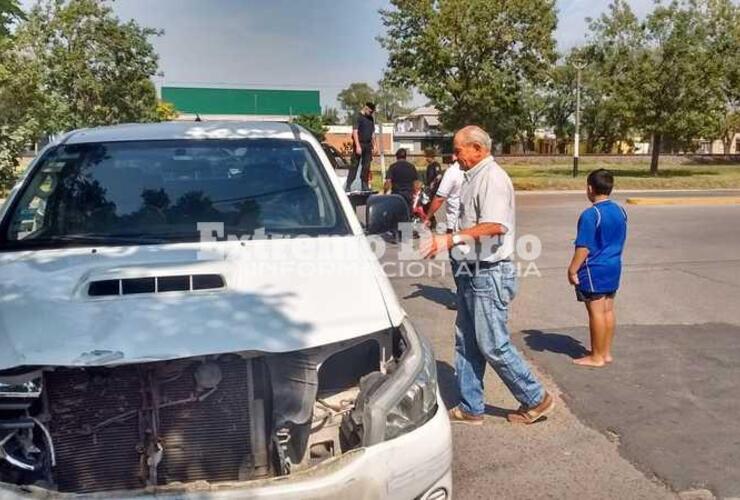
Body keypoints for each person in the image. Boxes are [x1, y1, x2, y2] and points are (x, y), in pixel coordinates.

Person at [423, 125, 554, 425]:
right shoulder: (472, 177)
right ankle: (471, 407)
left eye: (458, 150)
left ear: (478, 149)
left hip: (490, 273)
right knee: (467, 340)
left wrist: (450, 239)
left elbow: (495, 225)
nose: (454, 157)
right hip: (473, 270)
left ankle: (535, 398)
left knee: (493, 343)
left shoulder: (492, 178)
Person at [567, 169, 628, 368]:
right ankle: (605, 352)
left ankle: (596, 357)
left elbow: (583, 247)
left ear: (590, 188)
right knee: (608, 309)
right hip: (614, 265)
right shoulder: (620, 210)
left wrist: (572, 269)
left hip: (594, 269)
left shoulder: (591, 214)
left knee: (596, 312)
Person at [426, 155, 465, 310]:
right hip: (472, 225)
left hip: (455, 226)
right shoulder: (473, 171)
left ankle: (462, 298)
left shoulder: (452, 172)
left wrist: (427, 217)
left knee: (458, 263)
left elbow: (440, 198)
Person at [345, 102, 377, 192]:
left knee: (366, 166)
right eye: (370, 111)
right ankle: (348, 185)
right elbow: (355, 132)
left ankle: (364, 185)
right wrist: (358, 146)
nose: (371, 114)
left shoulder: (370, 119)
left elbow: (373, 133)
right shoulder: (358, 117)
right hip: (359, 144)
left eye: (372, 112)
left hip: (368, 145)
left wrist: (375, 145)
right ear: (366, 108)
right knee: (354, 166)